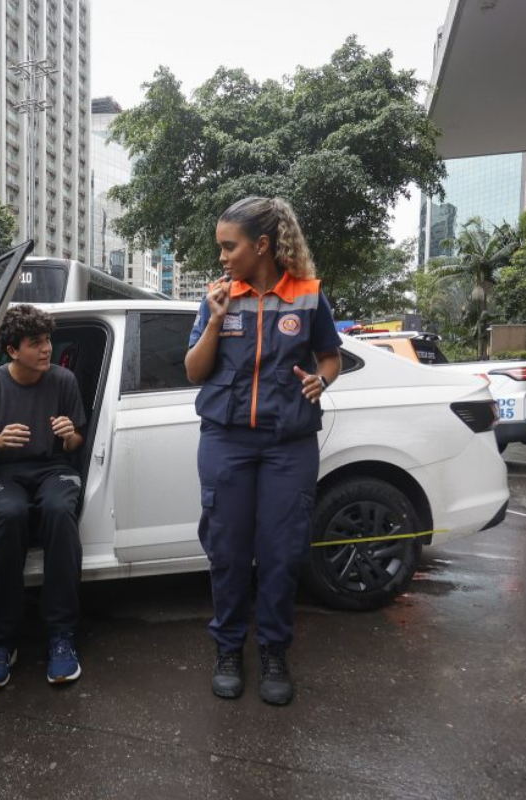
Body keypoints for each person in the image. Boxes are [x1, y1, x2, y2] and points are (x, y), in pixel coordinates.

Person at [185, 196, 342, 706]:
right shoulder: (216, 295)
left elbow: (331, 358)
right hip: (225, 441)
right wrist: (213, 322)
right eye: (221, 248)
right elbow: (194, 371)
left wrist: (322, 380)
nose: (223, 257)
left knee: (281, 553)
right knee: (227, 551)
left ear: (262, 246)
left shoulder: (309, 297)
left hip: (288, 445)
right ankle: (229, 647)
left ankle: (274, 650)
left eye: (230, 247)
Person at [0, 304, 87, 688]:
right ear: (12, 350)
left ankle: (61, 637)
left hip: (55, 469)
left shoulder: (64, 380)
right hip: (4, 473)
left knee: (58, 509)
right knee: (10, 514)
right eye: (35, 342)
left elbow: (76, 443)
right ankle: (2, 642)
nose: (46, 349)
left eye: (47, 340)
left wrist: (69, 433)